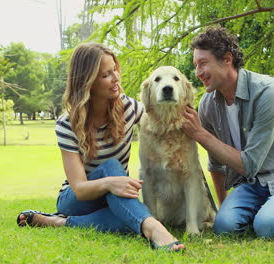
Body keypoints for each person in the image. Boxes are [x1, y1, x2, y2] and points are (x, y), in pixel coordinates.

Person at [16, 42, 185, 252]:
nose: (115, 78)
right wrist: (109, 182)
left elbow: (163, 123)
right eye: (106, 74)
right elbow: (79, 189)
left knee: (131, 220)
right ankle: (156, 231)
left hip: (115, 199)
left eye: (115, 70)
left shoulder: (129, 108)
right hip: (77, 200)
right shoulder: (66, 124)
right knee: (112, 166)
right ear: (88, 82)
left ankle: (58, 222)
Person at [182, 26, 274, 239]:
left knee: (269, 227)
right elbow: (216, 163)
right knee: (225, 228)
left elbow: (249, 164)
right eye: (196, 65)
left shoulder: (267, 92)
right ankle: (267, 211)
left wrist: (200, 134)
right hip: (252, 184)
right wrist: (224, 210)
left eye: (203, 63)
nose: (198, 73)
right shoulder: (208, 104)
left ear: (227, 59)